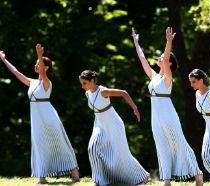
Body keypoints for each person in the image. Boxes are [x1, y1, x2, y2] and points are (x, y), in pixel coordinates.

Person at [132, 27, 203, 186]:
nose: (160, 58)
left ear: (169, 63)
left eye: (163, 57)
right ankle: (166, 180)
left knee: (179, 142)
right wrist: (136, 42)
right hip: (155, 116)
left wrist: (169, 41)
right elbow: (142, 58)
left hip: (168, 114)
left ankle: (197, 173)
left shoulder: (167, 78)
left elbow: (165, 59)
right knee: (161, 144)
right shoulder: (154, 76)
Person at [0, 44, 78, 184]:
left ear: (46, 67)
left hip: (49, 117)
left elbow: (42, 73)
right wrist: (4, 60)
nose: (36, 65)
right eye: (36, 63)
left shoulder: (47, 82)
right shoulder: (32, 82)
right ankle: (42, 178)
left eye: (39, 64)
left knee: (60, 143)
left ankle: (74, 172)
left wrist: (39, 55)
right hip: (36, 119)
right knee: (39, 144)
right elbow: (16, 72)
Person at [79, 70, 150, 185]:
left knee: (122, 154)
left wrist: (135, 108)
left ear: (92, 81)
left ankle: (142, 177)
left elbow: (123, 93)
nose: (82, 86)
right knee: (92, 148)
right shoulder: (88, 93)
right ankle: (97, 180)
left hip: (114, 124)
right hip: (99, 125)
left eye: (84, 83)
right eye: (81, 83)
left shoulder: (103, 91)